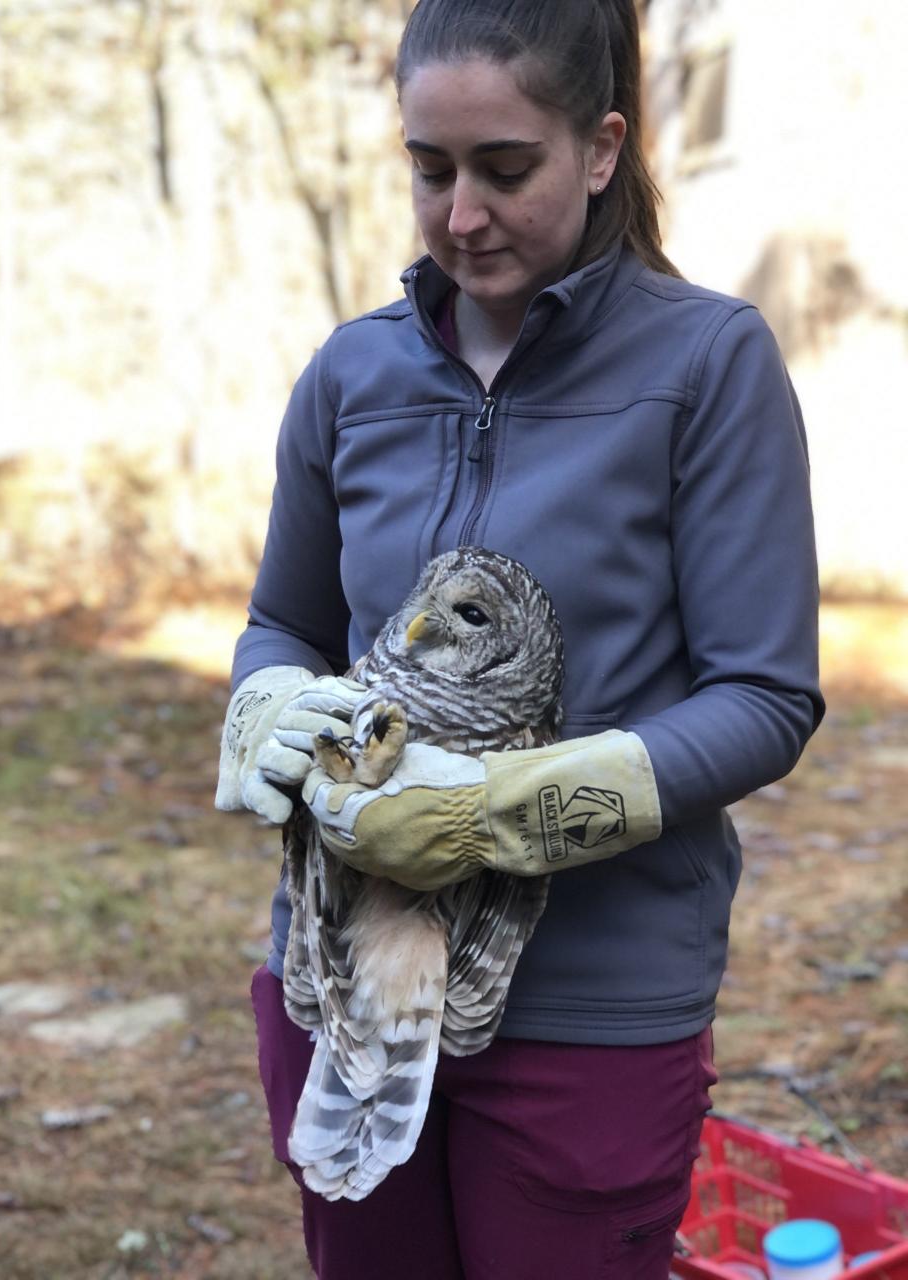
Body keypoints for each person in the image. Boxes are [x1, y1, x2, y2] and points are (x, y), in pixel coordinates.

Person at [215, 0, 824, 1276]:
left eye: (504, 168)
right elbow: (286, 620)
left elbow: (762, 694)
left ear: (601, 149)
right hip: (346, 983)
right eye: (427, 169)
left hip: (590, 1013)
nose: (459, 216)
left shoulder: (708, 364)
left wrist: (503, 809)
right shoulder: (351, 375)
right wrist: (268, 706)